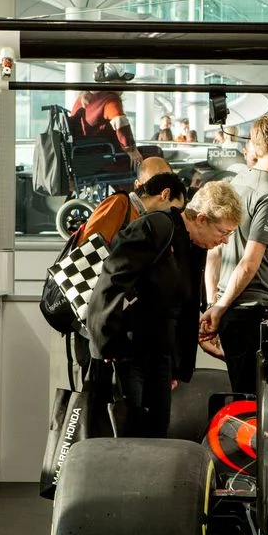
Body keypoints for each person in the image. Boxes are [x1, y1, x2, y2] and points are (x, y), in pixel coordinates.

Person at [86, 177, 241, 437]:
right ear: (201, 219)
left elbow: (178, 307)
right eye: (223, 232)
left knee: (157, 434)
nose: (225, 241)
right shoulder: (155, 227)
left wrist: (177, 364)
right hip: (127, 351)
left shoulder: (194, 247)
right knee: (130, 435)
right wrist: (104, 343)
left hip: (160, 358)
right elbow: (110, 283)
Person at [200, 113, 268, 396]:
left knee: (243, 401)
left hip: (231, 312)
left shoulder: (236, 184)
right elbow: (248, 263)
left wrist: (214, 304)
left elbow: (214, 253)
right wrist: (218, 310)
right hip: (253, 314)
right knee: (262, 410)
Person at [69, 90, 140, 171]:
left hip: (81, 156)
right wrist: (131, 150)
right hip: (104, 157)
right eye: (121, 81)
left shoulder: (82, 98)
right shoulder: (109, 99)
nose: (125, 85)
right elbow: (120, 122)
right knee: (152, 155)